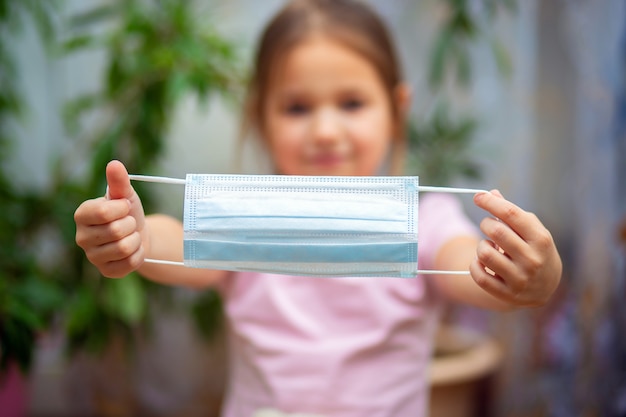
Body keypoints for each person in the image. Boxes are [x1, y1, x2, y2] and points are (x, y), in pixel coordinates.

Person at [74, 0, 562, 415]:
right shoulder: (246, 220)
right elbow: (174, 241)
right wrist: (135, 232)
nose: (326, 131)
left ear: (397, 111)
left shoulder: (426, 221)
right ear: (259, 116)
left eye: (352, 103)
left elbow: (469, 264)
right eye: (297, 108)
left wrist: (527, 276)